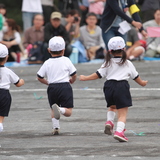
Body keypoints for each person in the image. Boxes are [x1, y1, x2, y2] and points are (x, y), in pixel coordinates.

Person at [79, 36, 148, 142]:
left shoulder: (108, 62)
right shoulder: (128, 63)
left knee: (112, 107)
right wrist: (142, 83)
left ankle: (109, 122)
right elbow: (136, 77)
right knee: (122, 113)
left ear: (110, 51)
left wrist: (85, 78)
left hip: (108, 87)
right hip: (121, 87)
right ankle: (119, 132)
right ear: (124, 49)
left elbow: (98, 74)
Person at [37, 36, 77, 135]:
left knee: (52, 108)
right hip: (65, 87)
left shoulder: (47, 62)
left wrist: (47, 82)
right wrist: (72, 80)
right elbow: (74, 74)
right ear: (63, 50)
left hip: (52, 87)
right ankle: (61, 110)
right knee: (68, 111)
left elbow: (39, 76)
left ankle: (55, 127)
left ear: (49, 50)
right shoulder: (66, 60)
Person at [0, 43, 24, 132]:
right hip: (4, 95)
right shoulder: (8, 71)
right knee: (0, 119)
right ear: (6, 57)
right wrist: (22, 81)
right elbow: (18, 83)